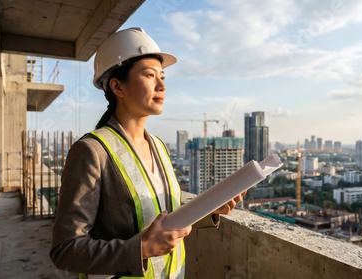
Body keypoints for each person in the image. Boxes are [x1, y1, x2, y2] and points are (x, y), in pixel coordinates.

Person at [49, 27, 245, 279]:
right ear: (117, 86)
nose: (162, 85)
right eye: (150, 75)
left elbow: (163, 216)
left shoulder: (159, 147)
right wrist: (141, 249)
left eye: (163, 76)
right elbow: (65, 250)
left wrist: (210, 211)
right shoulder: (92, 152)